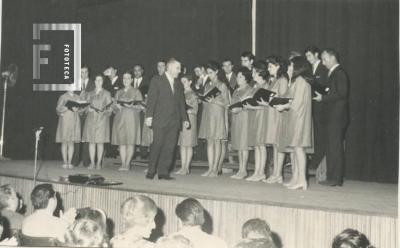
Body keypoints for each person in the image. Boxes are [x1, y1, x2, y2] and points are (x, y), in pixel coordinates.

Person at [145, 58, 189, 180]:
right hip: (159, 120)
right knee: (157, 145)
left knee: (170, 147)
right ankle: (151, 170)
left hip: (174, 121)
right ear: (169, 67)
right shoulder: (157, 80)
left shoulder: (178, 83)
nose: (179, 71)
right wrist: (149, 116)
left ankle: (163, 172)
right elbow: (151, 99)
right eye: (177, 68)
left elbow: (181, 103)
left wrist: (185, 119)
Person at [275, 56, 313, 190]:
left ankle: (302, 180)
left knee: (299, 149)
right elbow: (288, 97)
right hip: (294, 119)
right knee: (296, 150)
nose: (289, 68)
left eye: (292, 66)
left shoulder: (301, 82)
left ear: (298, 67)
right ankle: (296, 178)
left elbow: (296, 103)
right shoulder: (296, 81)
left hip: (299, 120)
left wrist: (283, 107)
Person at [314, 48, 349, 187]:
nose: (323, 63)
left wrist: (323, 97)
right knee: (331, 147)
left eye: (324, 59)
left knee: (335, 147)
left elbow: (342, 93)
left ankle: (336, 178)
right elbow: (334, 92)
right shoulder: (333, 73)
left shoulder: (339, 73)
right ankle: (331, 177)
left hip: (337, 117)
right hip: (332, 116)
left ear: (333, 57)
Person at [198, 61, 230, 177]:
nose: (209, 75)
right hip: (208, 115)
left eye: (211, 73)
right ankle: (210, 168)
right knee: (209, 141)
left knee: (217, 141)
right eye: (208, 73)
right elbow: (206, 100)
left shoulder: (222, 85)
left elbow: (227, 103)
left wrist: (214, 100)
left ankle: (216, 169)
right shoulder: (207, 85)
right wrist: (202, 100)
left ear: (216, 72)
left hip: (217, 115)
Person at [262, 56, 289, 184]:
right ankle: (275, 173)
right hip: (271, 115)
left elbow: (283, 98)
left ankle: (278, 174)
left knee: (279, 145)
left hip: (278, 115)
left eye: (270, 66)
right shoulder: (274, 80)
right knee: (274, 144)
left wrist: (272, 98)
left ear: (278, 66)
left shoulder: (283, 80)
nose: (268, 69)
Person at [243, 61, 270, 181]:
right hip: (255, 116)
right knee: (257, 145)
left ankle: (261, 172)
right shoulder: (256, 86)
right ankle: (257, 172)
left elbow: (265, 105)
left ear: (260, 72)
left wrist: (251, 106)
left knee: (261, 145)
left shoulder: (265, 86)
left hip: (262, 116)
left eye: (254, 71)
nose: (252, 74)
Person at [304, 46, 329, 175]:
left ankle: (319, 163)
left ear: (316, 54)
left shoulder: (323, 68)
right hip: (312, 106)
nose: (308, 59)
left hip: (321, 106)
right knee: (315, 135)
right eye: (306, 57)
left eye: (309, 56)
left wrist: (312, 83)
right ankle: (315, 161)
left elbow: (325, 87)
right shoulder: (310, 69)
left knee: (320, 135)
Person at [112, 71, 143, 171]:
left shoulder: (136, 91)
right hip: (120, 118)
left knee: (130, 141)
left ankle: (127, 163)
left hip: (132, 119)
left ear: (132, 80)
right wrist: (116, 106)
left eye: (128, 78)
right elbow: (114, 108)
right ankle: (123, 163)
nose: (126, 80)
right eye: (124, 78)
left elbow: (141, 106)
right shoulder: (119, 92)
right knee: (122, 142)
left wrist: (132, 105)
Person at [82, 74, 113, 170]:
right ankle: (92, 163)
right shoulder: (90, 93)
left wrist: (105, 111)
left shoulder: (107, 93)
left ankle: (99, 163)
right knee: (91, 142)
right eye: (96, 80)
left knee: (100, 143)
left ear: (102, 82)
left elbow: (110, 108)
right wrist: (88, 109)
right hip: (91, 120)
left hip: (102, 120)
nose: (98, 82)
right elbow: (85, 106)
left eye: (100, 80)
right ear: (94, 82)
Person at [230, 67, 253, 179]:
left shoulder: (250, 89)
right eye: (237, 77)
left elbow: (250, 104)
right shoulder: (236, 90)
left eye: (240, 77)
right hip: (236, 119)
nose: (238, 79)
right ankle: (240, 169)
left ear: (246, 78)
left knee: (244, 145)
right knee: (239, 145)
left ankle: (244, 170)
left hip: (245, 118)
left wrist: (241, 108)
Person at [175, 75, 198, 175]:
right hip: (181, 120)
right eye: (181, 82)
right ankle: (182, 166)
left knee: (188, 144)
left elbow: (195, 110)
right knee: (182, 144)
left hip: (189, 119)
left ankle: (186, 167)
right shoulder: (180, 93)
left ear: (190, 82)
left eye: (184, 81)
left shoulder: (193, 94)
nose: (182, 83)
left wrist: (185, 109)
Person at [55, 90, 83, 169]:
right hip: (65, 120)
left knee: (71, 142)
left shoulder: (78, 97)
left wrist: (78, 109)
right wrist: (67, 107)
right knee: (65, 142)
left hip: (74, 120)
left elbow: (81, 109)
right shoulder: (63, 96)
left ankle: (70, 162)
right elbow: (58, 109)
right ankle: (65, 162)